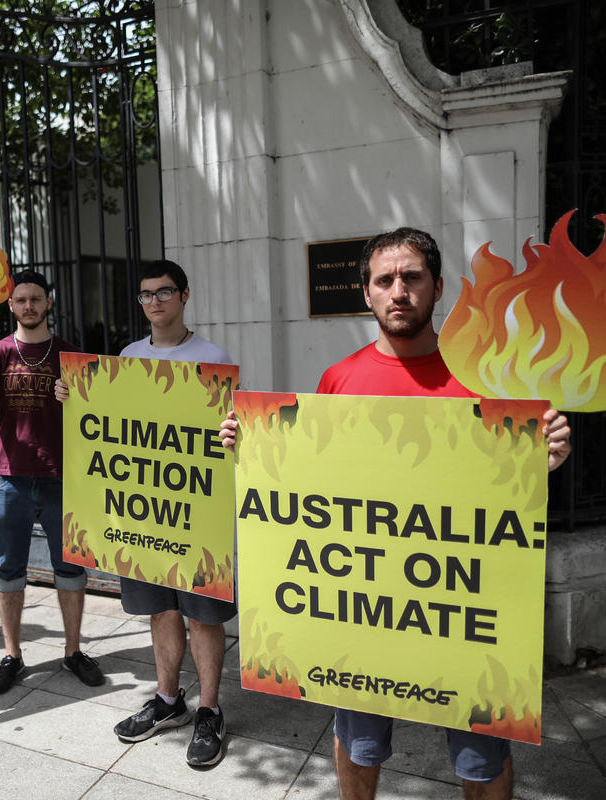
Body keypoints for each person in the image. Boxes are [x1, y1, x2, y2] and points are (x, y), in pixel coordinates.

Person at [219, 227, 572, 800]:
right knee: (358, 746)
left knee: (482, 758)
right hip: (362, 607)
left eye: (412, 278)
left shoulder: (484, 378)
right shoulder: (338, 380)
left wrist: (544, 458)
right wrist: (256, 450)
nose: (399, 291)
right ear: (366, 293)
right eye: (385, 280)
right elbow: (316, 489)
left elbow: (507, 487)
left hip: (460, 609)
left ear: (437, 288)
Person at [55, 260, 235, 766]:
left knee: (202, 617)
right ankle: (168, 701)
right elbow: (106, 426)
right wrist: (71, 396)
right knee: (161, 611)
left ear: (185, 295)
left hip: (196, 516)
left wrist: (233, 429)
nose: (154, 302)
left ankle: (210, 711)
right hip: (143, 517)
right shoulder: (128, 357)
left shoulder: (212, 357)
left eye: (164, 292)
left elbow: (230, 430)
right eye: (145, 295)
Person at [0, 269, 104, 694]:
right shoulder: (0, 352)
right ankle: (12, 655)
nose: (28, 306)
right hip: (10, 477)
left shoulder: (68, 354)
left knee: (70, 567)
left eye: (36, 299)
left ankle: (73, 651)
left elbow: (97, 414)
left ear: (48, 303)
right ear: (11, 306)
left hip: (63, 477)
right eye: (21, 300)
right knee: (9, 569)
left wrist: (75, 398)